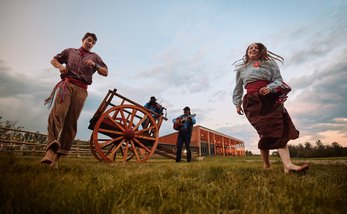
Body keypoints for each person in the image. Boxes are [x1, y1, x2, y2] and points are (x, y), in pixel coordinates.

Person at [232, 42, 308, 174]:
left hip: (270, 99)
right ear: (247, 51)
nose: (253, 49)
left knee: (278, 129)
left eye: (256, 48)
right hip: (252, 102)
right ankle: (267, 165)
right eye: (251, 47)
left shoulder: (270, 64)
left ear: (261, 51)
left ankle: (287, 165)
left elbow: (278, 80)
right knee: (265, 132)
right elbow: (238, 87)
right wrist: (237, 103)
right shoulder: (241, 68)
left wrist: (270, 87)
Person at [41, 32, 108, 168]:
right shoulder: (70, 52)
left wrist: (95, 65)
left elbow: (105, 72)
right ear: (83, 40)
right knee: (58, 113)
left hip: (82, 90)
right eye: (89, 40)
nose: (90, 43)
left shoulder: (95, 57)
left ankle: (56, 159)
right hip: (67, 85)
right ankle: (49, 151)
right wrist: (60, 66)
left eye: (93, 42)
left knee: (71, 122)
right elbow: (54, 59)